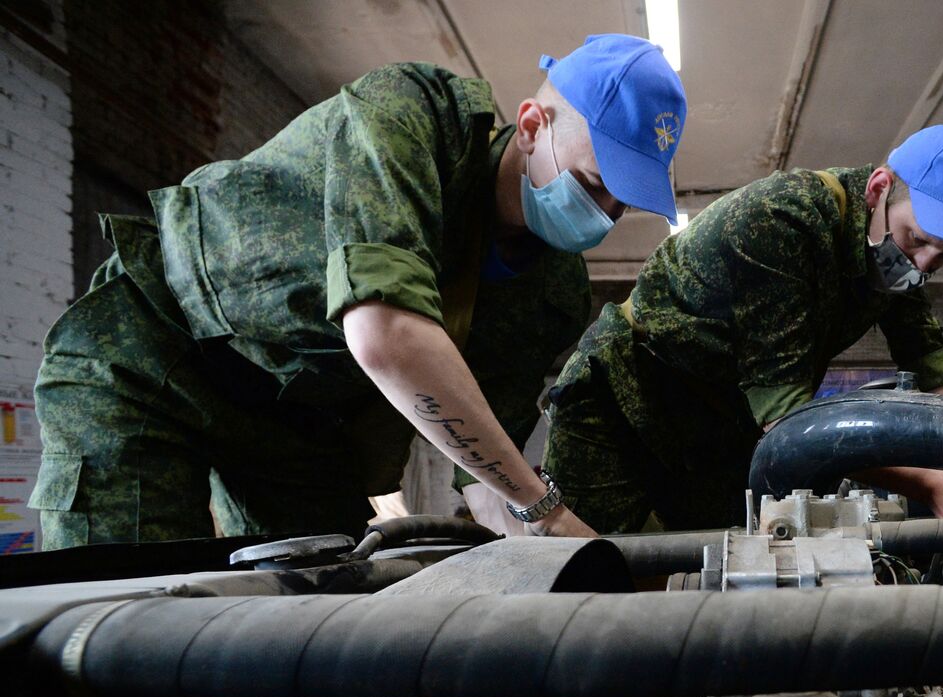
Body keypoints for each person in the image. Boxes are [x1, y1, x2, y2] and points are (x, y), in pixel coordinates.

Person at [31, 34, 686, 548]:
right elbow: (385, 333)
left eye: (622, 203)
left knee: (325, 623)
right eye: (593, 181)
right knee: (131, 629)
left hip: (298, 426)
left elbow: (486, 475)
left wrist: (552, 551)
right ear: (532, 125)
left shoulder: (551, 292)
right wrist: (544, 511)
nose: (603, 215)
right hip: (155, 352)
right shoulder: (413, 118)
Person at [542, 125, 943, 534]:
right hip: (621, 409)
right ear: (878, 190)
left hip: (713, 437)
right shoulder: (782, 222)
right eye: (917, 240)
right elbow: (793, 426)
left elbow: (935, 372)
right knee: (597, 587)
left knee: (712, 589)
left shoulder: (892, 263)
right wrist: (932, 483)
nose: (921, 265)